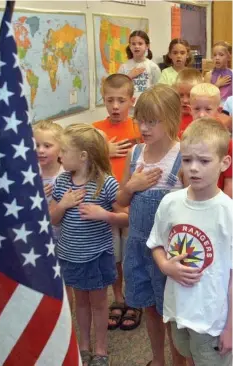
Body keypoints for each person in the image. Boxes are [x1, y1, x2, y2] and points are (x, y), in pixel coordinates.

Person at [147, 118, 232, 366]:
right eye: (187, 160)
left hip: (214, 319)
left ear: (224, 163)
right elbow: (157, 244)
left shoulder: (228, 212)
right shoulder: (170, 202)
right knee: (187, 355)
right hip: (179, 309)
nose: (193, 168)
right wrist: (165, 266)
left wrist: (230, 328)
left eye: (204, 161)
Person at [117, 84, 188, 366]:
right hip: (138, 246)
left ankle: (177, 362)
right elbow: (120, 201)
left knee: (171, 313)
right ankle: (157, 359)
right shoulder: (135, 155)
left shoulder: (182, 157)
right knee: (150, 309)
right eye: (140, 120)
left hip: (170, 252)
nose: (143, 127)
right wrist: (132, 185)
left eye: (152, 121)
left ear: (171, 118)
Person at [50, 124, 128, 366]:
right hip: (70, 255)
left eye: (63, 150)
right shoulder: (62, 182)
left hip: (96, 256)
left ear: (83, 156)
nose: (59, 155)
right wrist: (62, 204)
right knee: (80, 302)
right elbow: (53, 219)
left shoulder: (106, 183)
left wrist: (104, 215)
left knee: (99, 302)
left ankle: (101, 349)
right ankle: (83, 345)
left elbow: (127, 216)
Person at [93, 74, 141, 331]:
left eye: (121, 100)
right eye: (109, 100)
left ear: (131, 101)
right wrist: (104, 151)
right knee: (114, 256)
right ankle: (119, 298)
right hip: (105, 206)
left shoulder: (139, 128)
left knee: (133, 254)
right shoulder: (96, 130)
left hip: (133, 204)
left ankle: (134, 298)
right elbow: (82, 159)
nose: (114, 106)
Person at [189, 83, 232, 197]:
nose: (202, 114)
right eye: (197, 109)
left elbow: (230, 182)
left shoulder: (227, 142)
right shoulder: (186, 138)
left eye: (208, 109)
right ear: (190, 109)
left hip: (216, 201)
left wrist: (225, 209)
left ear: (218, 110)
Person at [33, 119, 64, 242]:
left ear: (61, 149)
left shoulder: (66, 175)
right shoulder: (28, 176)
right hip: (36, 238)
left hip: (62, 240)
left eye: (47, 146)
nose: (40, 150)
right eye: (36, 145)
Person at [118, 30, 161, 108]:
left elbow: (158, 90)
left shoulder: (153, 67)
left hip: (147, 107)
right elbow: (117, 88)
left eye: (140, 43)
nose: (136, 46)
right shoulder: (124, 67)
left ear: (147, 46)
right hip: (128, 108)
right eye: (133, 44)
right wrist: (129, 77)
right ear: (130, 46)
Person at [173, 68, 203, 137]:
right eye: (181, 95)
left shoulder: (203, 118)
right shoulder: (170, 117)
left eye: (190, 95)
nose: (185, 100)